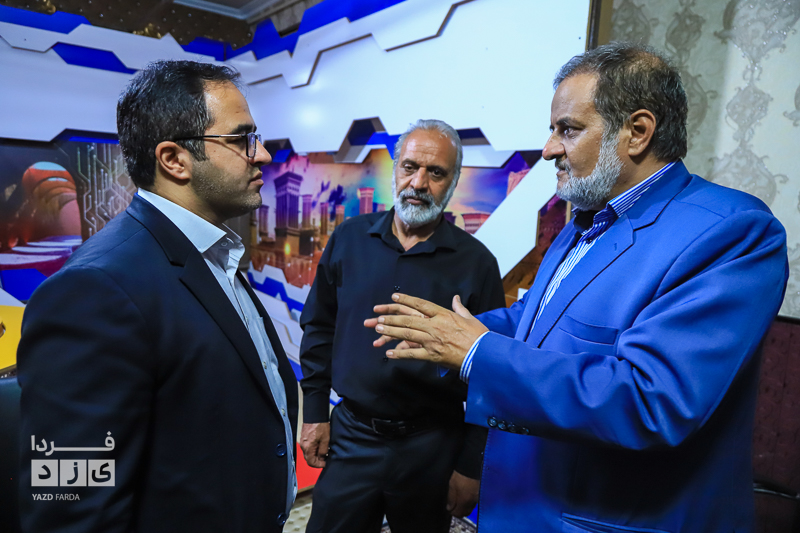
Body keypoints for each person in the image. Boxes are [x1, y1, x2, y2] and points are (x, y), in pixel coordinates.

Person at [368, 43, 789, 532]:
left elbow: (652, 401)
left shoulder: (732, 232)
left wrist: (476, 352)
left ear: (637, 132)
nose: (549, 148)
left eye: (567, 129)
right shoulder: (584, 220)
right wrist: (442, 331)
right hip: (522, 505)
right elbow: (537, 322)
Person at [18, 60, 298, 533]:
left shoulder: (214, 252)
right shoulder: (93, 292)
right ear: (174, 159)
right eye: (241, 139)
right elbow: (69, 504)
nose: (263, 155)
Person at [300, 119, 505, 533]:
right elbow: (319, 327)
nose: (418, 183)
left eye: (436, 172)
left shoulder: (477, 263)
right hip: (352, 435)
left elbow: (490, 374)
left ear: (452, 182)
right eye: (410, 167)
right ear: (395, 170)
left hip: (431, 446)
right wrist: (315, 412)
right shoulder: (348, 239)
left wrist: (471, 466)